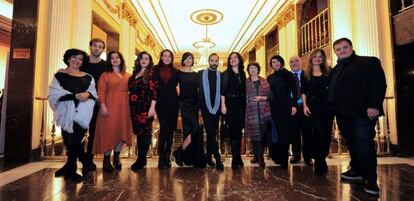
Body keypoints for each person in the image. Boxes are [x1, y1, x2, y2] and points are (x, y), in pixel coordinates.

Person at [328, 38, 386, 195]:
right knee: (351, 144)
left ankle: (371, 181)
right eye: (338, 49)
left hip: (362, 113)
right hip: (342, 114)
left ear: (351, 47)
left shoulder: (367, 62)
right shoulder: (336, 69)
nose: (342, 51)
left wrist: (374, 104)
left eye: (345, 47)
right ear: (335, 52)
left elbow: (378, 84)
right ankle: (357, 171)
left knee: (364, 145)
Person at [54, 38, 106, 177]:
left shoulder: (105, 65)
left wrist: (93, 96)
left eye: (100, 47)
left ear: (102, 49)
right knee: (71, 136)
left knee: (92, 134)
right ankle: (81, 161)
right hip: (74, 104)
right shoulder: (83, 61)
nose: (97, 48)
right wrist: (63, 71)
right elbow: (71, 74)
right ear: (90, 46)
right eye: (95, 46)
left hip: (95, 103)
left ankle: (87, 160)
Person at [48, 48, 97, 182]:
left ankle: (70, 168)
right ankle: (82, 163)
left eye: (80, 59)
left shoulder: (88, 77)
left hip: (82, 113)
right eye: (74, 57)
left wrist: (88, 94)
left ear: (82, 62)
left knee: (74, 141)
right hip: (65, 113)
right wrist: (73, 96)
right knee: (69, 141)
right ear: (68, 59)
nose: (77, 60)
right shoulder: (59, 75)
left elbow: (93, 93)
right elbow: (54, 94)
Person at [93, 51, 133, 172]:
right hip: (109, 106)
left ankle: (117, 157)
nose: (115, 59)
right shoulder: (105, 75)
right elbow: (100, 92)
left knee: (121, 132)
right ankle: (106, 160)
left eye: (117, 57)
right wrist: (103, 106)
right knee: (109, 132)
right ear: (109, 61)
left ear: (121, 59)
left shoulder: (128, 75)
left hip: (124, 107)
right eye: (112, 58)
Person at [301, 49, 334, 175]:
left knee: (326, 134)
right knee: (318, 133)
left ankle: (322, 157)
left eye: (320, 57)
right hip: (312, 107)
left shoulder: (329, 73)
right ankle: (320, 161)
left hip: (327, 107)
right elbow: (303, 91)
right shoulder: (306, 74)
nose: (317, 59)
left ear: (323, 59)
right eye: (315, 56)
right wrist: (304, 106)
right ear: (311, 58)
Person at [173, 52, 206, 168]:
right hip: (184, 105)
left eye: (190, 58)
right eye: (186, 58)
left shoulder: (196, 75)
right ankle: (179, 151)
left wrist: (200, 108)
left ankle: (189, 158)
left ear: (193, 61)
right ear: (183, 60)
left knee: (191, 131)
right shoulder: (179, 73)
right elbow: (172, 87)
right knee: (195, 129)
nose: (188, 60)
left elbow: (199, 92)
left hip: (195, 105)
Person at [267, 55, 297, 169]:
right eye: (273, 62)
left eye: (278, 61)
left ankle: (284, 160)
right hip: (273, 105)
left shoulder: (288, 75)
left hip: (286, 104)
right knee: (275, 131)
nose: (276, 64)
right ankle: (276, 156)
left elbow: (294, 91)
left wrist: (294, 105)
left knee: (284, 131)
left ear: (282, 62)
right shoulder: (269, 77)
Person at [128, 51, 157, 171]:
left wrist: (152, 108)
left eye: (147, 59)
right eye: (142, 58)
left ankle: (141, 159)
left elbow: (154, 93)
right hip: (134, 108)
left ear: (150, 61)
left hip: (146, 107)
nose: (144, 60)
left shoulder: (151, 74)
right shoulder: (133, 74)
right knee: (139, 133)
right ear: (139, 60)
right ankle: (142, 159)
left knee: (145, 134)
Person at [152, 49, 179, 169]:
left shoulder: (176, 71)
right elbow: (152, 86)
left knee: (170, 130)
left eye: (169, 56)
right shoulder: (155, 69)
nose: (167, 58)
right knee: (163, 129)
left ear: (172, 58)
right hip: (160, 103)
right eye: (165, 56)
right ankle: (161, 157)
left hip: (173, 102)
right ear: (161, 57)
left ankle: (167, 156)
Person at [221, 52, 246, 169]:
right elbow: (222, 92)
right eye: (231, 58)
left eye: (235, 57)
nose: (233, 60)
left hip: (241, 104)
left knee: (239, 129)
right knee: (232, 130)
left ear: (239, 60)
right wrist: (223, 106)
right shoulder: (226, 74)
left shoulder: (243, 73)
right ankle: (235, 158)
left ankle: (238, 157)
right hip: (230, 104)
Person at [198, 53, 224, 170]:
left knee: (213, 133)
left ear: (218, 62)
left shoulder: (221, 75)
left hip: (217, 106)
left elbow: (223, 92)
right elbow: (197, 91)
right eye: (212, 60)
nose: (214, 63)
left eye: (216, 61)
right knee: (210, 131)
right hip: (205, 107)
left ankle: (208, 157)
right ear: (208, 61)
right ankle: (218, 158)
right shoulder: (201, 74)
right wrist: (198, 109)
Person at [244, 62, 272, 168]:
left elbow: (269, 95)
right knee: (254, 135)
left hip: (264, 111)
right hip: (251, 112)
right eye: (250, 68)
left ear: (258, 69)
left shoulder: (264, 81)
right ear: (248, 70)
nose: (252, 70)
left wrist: (263, 98)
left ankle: (261, 158)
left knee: (261, 135)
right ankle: (255, 156)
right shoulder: (246, 82)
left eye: (254, 68)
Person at [289, 55, 312, 166]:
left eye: (296, 61)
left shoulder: (307, 74)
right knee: (294, 133)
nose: (294, 63)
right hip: (292, 109)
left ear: (300, 61)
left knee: (307, 133)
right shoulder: (287, 76)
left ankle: (308, 157)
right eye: (291, 62)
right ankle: (296, 155)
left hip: (305, 107)